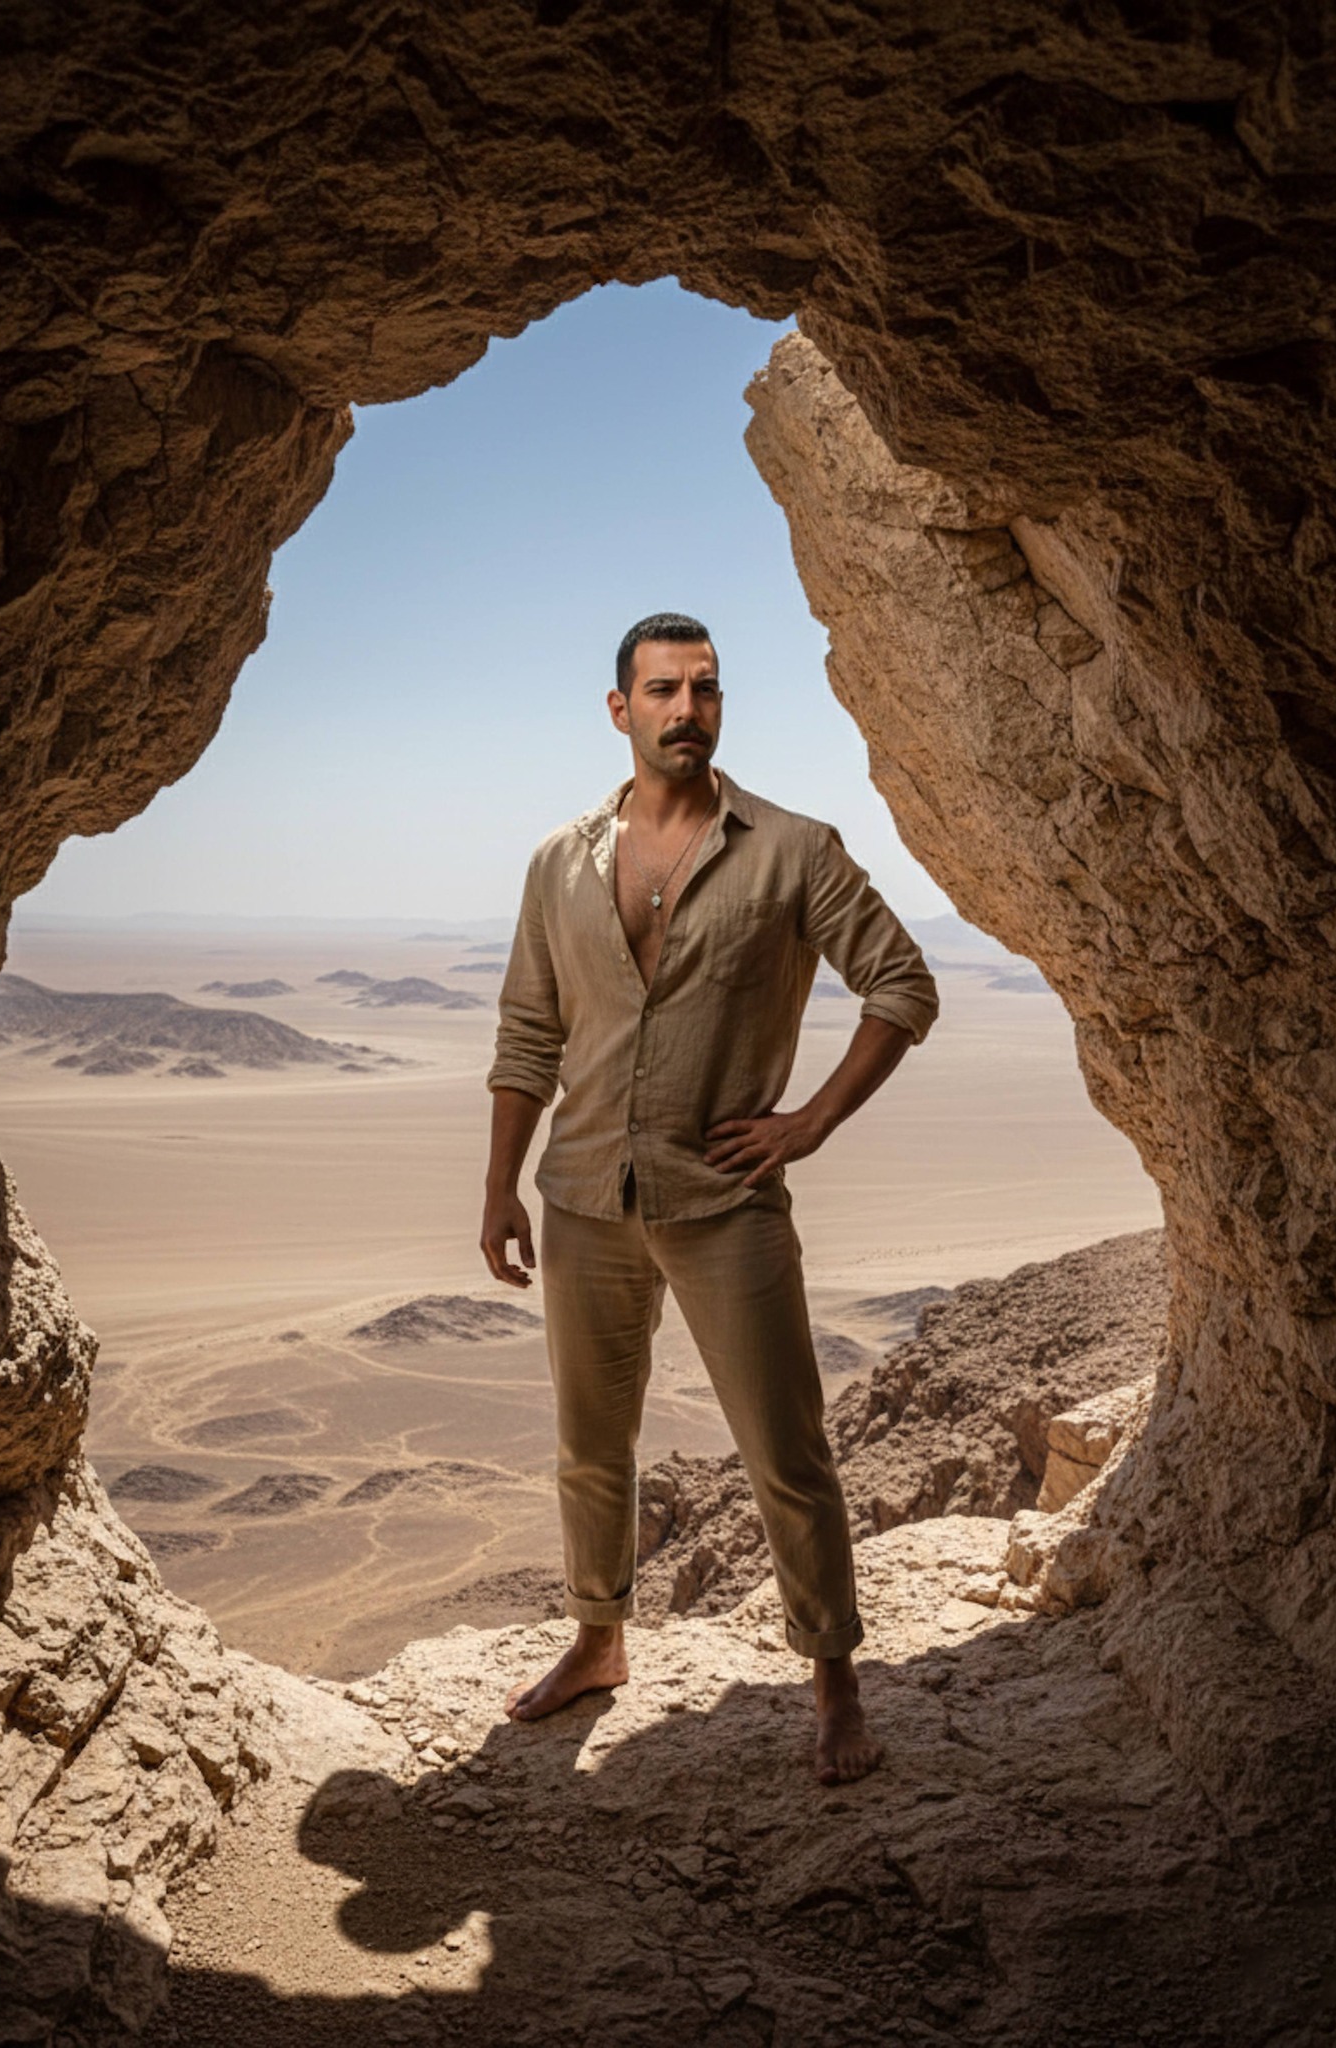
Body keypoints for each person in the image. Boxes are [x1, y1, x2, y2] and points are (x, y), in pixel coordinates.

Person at [479, 612, 939, 1784]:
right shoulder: (558, 861)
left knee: (785, 1449)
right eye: (663, 689)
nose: (686, 709)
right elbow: (527, 1032)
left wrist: (809, 1120)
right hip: (583, 1194)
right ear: (619, 708)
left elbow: (901, 983)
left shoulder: (792, 849)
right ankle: (598, 1639)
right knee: (591, 1446)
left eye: (706, 688)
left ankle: (834, 1681)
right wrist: (499, 1184)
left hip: (724, 1200)